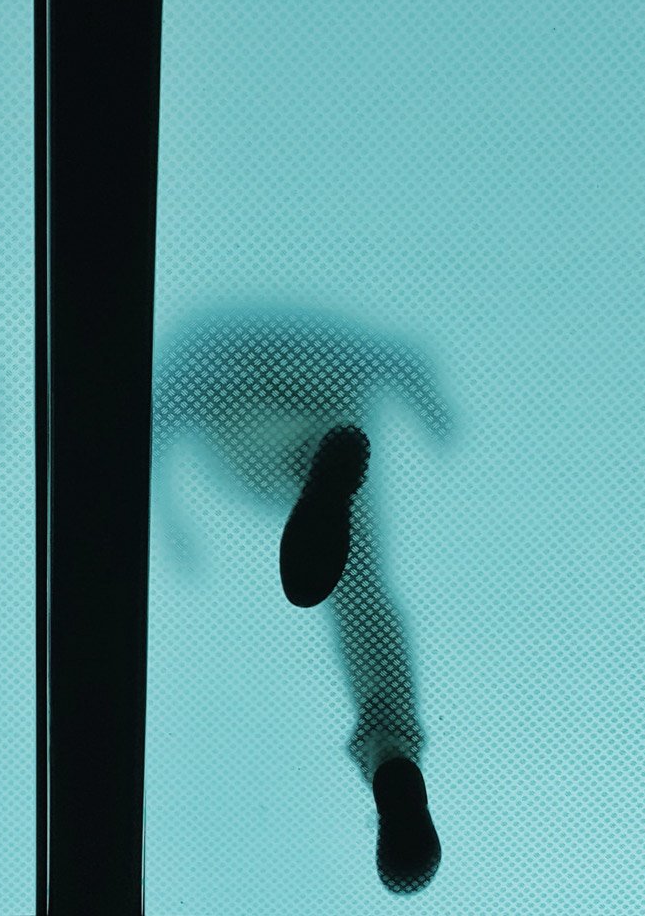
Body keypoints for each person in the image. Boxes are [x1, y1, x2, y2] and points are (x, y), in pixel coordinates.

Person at [152, 307, 449, 893]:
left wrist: (167, 519)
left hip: (234, 397)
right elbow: (400, 357)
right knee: (362, 595)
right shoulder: (334, 337)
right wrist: (431, 406)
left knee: (273, 453)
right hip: (327, 394)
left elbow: (156, 417)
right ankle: (392, 755)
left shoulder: (206, 344)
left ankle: (305, 458)